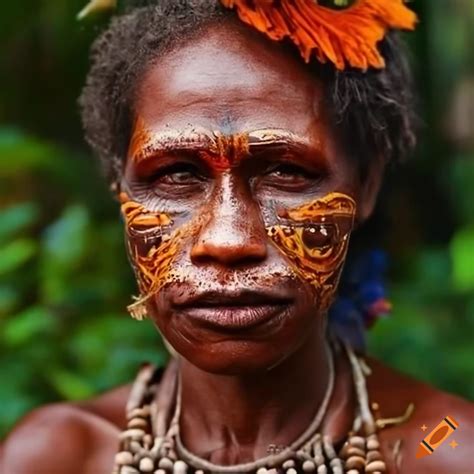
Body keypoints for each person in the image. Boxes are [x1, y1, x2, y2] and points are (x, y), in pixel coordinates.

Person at [1, 1, 473, 473]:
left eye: (287, 172)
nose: (228, 241)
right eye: (176, 175)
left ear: (365, 185)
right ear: (119, 190)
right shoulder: (55, 458)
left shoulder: (445, 451)